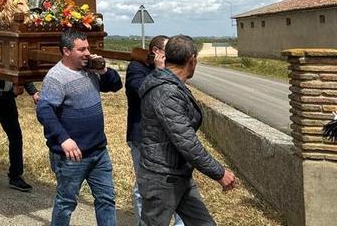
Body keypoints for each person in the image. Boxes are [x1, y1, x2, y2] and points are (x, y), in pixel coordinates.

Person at [138, 35, 236, 225]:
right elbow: (186, 141)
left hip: (177, 173)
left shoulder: (171, 86)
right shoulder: (166, 92)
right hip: (162, 178)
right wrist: (219, 172)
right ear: (192, 59)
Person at [36, 29, 123, 226]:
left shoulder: (89, 69)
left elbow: (116, 85)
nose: (87, 53)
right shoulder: (56, 77)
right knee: (66, 203)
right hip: (72, 156)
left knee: (107, 200)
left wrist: (103, 70)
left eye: (88, 48)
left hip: (99, 151)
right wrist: (64, 139)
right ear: (66, 51)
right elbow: (44, 111)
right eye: (81, 49)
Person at [126, 36, 184, 226]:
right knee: (145, 186)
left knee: (178, 182)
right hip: (141, 137)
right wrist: (159, 71)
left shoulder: (169, 70)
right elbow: (143, 90)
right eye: (168, 50)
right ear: (156, 51)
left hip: (167, 136)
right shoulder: (136, 68)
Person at [0, 75, 39, 191]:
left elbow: (19, 71)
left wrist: (33, 92)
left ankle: (15, 176)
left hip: (7, 97)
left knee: (16, 137)